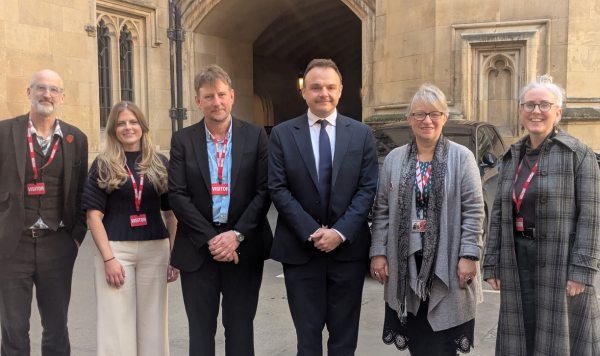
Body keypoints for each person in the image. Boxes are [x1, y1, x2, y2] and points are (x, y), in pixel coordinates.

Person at [483, 75, 600, 355]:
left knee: (558, 334)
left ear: (558, 112)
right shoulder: (511, 157)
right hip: (517, 255)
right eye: (529, 105)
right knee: (521, 327)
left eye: (544, 105)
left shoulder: (579, 155)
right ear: (521, 111)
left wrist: (582, 270)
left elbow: (591, 217)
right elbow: (499, 213)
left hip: (562, 259)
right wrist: (492, 263)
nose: (536, 111)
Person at [269, 58, 378, 356]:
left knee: (344, 338)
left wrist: (340, 232)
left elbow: (368, 188)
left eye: (330, 87)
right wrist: (312, 231)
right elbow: (278, 188)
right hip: (300, 251)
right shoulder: (281, 134)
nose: (323, 93)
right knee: (307, 337)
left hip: (347, 253)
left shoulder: (361, 133)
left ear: (340, 90)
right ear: (304, 91)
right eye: (315, 87)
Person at [370, 84, 485, 355]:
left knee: (442, 343)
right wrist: (378, 253)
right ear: (410, 119)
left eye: (434, 113)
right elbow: (382, 210)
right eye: (419, 114)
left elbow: (473, 210)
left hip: (448, 261)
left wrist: (469, 255)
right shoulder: (395, 159)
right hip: (406, 263)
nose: (427, 120)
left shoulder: (462, 157)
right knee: (419, 340)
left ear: (445, 117)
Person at [168, 65, 272, 356]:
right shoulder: (182, 140)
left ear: (232, 96)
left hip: (244, 249)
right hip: (198, 249)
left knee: (240, 329)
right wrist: (212, 239)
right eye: (209, 96)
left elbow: (264, 190)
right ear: (198, 101)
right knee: (200, 333)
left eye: (222, 95)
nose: (217, 102)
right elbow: (177, 194)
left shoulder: (255, 136)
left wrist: (236, 235)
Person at [0, 69, 88, 355]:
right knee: (13, 328)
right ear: (29, 92)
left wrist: (75, 236)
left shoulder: (77, 138)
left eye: (52, 90)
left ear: (62, 97)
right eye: (40, 88)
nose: (46, 94)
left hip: (58, 242)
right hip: (13, 244)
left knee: (56, 326)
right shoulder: (4, 132)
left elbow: (81, 191)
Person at [82, 101, 178, 356]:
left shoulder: (160, 163)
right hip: (116, 251)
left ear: (143, 126)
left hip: (155, 250)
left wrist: (173, 254)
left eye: (133, 122)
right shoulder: (103, 164)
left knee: (154, 325)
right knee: (116, 325)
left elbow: (171, 215)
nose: (128, 127)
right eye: (121, 123)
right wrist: (108, 259)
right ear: (113, 129)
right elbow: (93, 217)